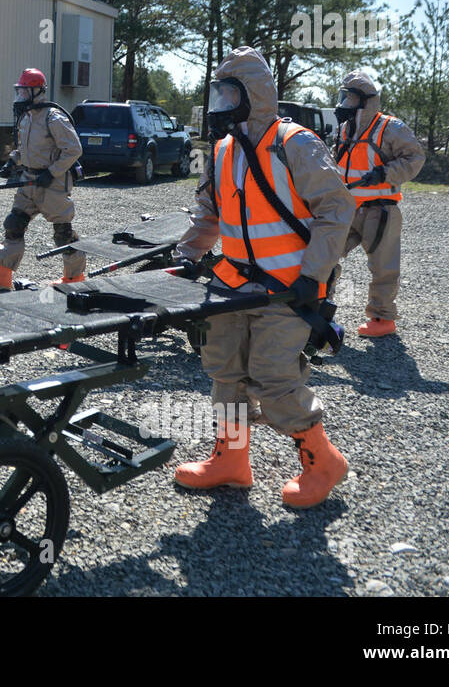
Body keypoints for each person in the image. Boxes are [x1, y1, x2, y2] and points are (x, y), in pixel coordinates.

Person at [171, 47, 356, 508]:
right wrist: (183, 258)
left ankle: (323, 462)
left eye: (228, 93)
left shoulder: (296, 144)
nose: (220, 105)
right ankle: (231, 462)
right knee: (225, 371)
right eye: (217, 94)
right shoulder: (222, 150)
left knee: (273, 377)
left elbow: (337, 210)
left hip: (288, 289)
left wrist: (313, 278)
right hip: (232, 286)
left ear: (253, 95)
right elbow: (208, 214)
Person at [331, 72, 426, 337]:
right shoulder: (344, 129)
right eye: (342, 97)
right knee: (325, 254)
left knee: (384, 266)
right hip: (347, 208)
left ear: (364, 101)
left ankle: (382, 318)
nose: (342, 104)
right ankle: (318, 306)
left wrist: (384, 173)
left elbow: (415, 159)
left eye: (347, 98)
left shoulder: (391, 128)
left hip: (381, 209)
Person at [0, 68, 86, 287]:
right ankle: (2, 274)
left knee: (63, 233)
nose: (20, 96)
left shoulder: (53, 117)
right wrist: (12, 161)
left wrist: (51, 172)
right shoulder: (26, 118)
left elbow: (74, 150)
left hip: (53, 184)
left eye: (24, 92)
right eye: (19, 91)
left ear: (37, 91)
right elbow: (24, 148)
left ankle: (74, 278)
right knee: (14, 223)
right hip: (28, 181)